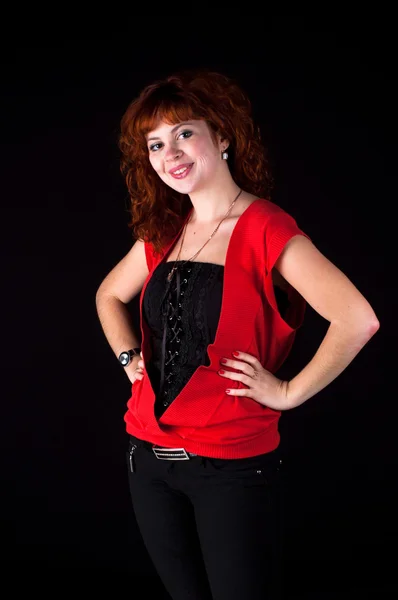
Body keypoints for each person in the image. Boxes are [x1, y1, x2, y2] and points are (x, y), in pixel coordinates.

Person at [95, 69, 380, 600]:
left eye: (184, 132)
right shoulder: (165, 230)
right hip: (148, 460)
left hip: (231, 466)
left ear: (221, 136)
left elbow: (357, 318)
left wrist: (288, 392)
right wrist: (129, 358)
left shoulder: (266, 226)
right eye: (155, 144)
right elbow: (108, 296)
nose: (170, 153)